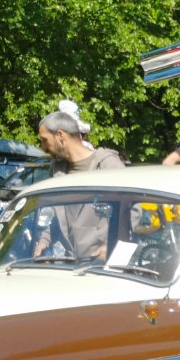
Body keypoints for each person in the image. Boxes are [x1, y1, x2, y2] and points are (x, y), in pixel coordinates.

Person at [35, 109, 125, 260]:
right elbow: (60, 217)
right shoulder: (58, 172)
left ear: (60, 135)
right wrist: (44, 241)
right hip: (73, 264)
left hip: (105, 264)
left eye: (45, 140)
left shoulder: (107, 165)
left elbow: (133, 212)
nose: (43, 147)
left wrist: (111, 245)